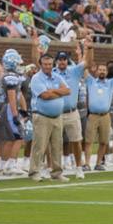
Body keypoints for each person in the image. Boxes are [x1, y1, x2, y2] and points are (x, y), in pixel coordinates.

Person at [27, 54, 70, 182]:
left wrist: (53, 91)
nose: (48, 66)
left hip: (57, 116)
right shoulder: (36, 78)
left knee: (57, 146)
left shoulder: (57, 76)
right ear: (41, 64)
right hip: (42, 116)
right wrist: (58, 92)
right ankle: (34, 172)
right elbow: (44, 95)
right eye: (45, 64)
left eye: (50, 64)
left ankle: (57, 173)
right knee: (39, 146)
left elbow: (68, 91)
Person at [85, 55, 113, 171]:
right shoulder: (90, 81)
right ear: (96, 71)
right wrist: (82, 54)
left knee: (104, 141)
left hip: (105, 116)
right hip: (93, 115)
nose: (102, 71)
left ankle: (98, 163)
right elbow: (84, 68)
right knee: (88, 141)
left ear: (107, 72)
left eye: (104, 70)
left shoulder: (111, 83)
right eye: (100, 69)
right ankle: (87, 164)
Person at [53, 47, 88, 179]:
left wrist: (89, 48)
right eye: (60, 60)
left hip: (72, 111)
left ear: (67, 61)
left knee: (76, 141)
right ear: (56, 61)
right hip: (56, 112)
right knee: (54, 142)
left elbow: (87, 63)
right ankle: (54, 168)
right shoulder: (51, 73)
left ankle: (78, 168)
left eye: (64, 59)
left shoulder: (73, 71)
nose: (62, 62)